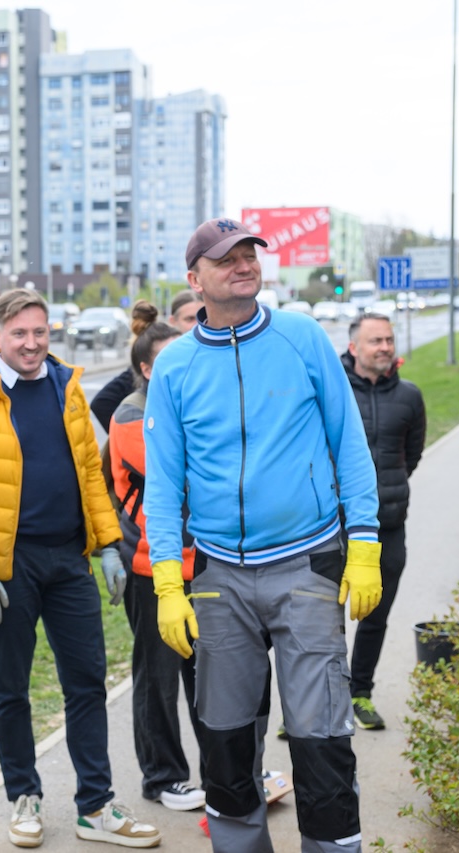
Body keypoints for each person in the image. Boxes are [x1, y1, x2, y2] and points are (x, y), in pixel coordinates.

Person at [144, 217, 382, 852]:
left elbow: (349, 446)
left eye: (250, 252)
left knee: (320, 737)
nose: (243, 263)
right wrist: (169, 582)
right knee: (224, 743)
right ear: (196, 279)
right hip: (219, 577)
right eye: (226, 258)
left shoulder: (303, 339)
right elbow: (164, 487)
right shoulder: (174, 370)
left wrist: (365, 546)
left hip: (307, 564)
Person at [0, 288, 161, 849]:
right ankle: (23, 795)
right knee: (10, 687)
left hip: (68, 559)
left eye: (40, 333)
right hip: (8, 570)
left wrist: (108, 543)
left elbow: (91, 469)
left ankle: (96, 805)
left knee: (86, 680)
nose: (32, 343)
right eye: (20, 334)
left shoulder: (67, 388)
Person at [107, 301, 210, 811]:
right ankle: (162, 777)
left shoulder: (196, 405)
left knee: (211, 675)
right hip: (152, 567)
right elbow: (189, 472)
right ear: (146, 369)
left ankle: (222, 770)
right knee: (158, 677)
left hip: (206, 564)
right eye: (170, 360)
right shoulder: (131, 415)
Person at [342, 312, 426, 731]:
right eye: (375, 341)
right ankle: (317, 702)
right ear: (354, 347)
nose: (385, 348)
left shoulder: (410, 396)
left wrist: (387, 489)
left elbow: (412, 455)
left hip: (389, 525)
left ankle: (360, 693)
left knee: (375, 616)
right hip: (333, 527)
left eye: (389, 340)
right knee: (322, 621)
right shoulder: (334, 391)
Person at [90, 289, 201, 433]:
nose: (197, 325)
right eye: (189, 319)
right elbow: (102, 402)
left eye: (202, 317)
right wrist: (130, 433)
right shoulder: (153, 361)